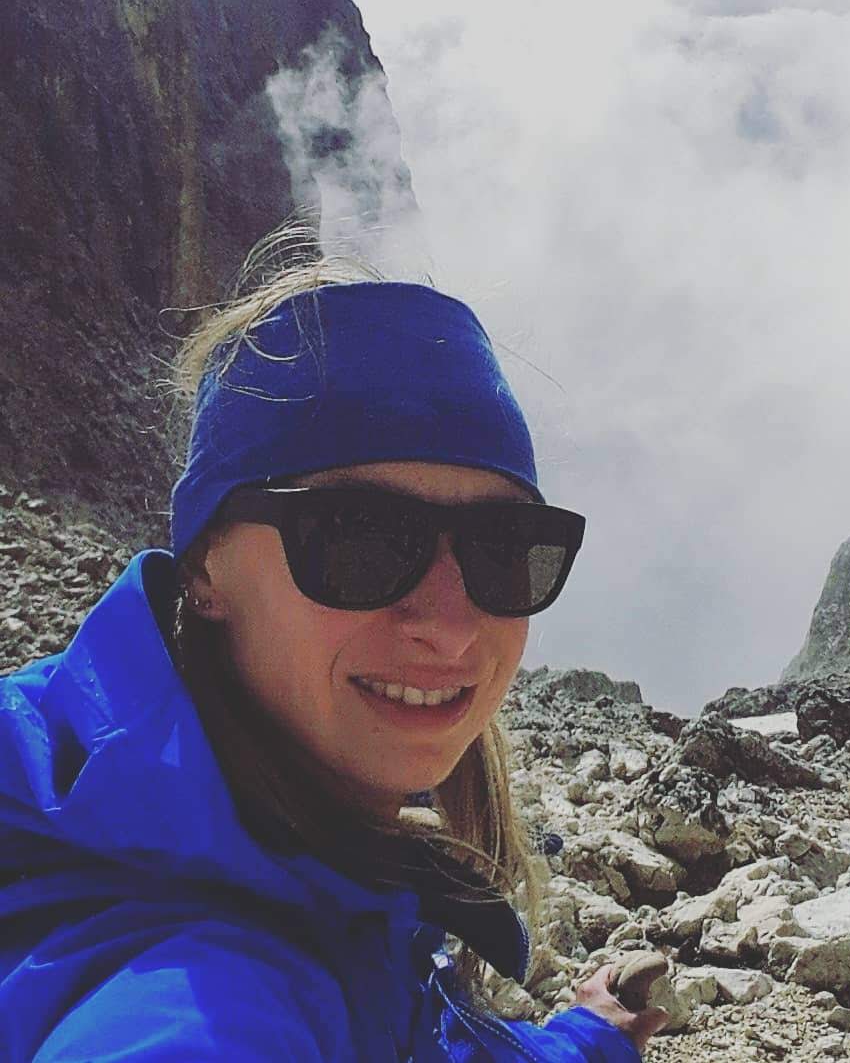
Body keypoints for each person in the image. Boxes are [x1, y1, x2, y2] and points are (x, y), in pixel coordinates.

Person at [0, 249, 669, 1061]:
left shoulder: (304, 858)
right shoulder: (202, 994)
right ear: (206, 564)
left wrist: (587, 1040)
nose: (451, 627)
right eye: (359, 537)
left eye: (505, 547)